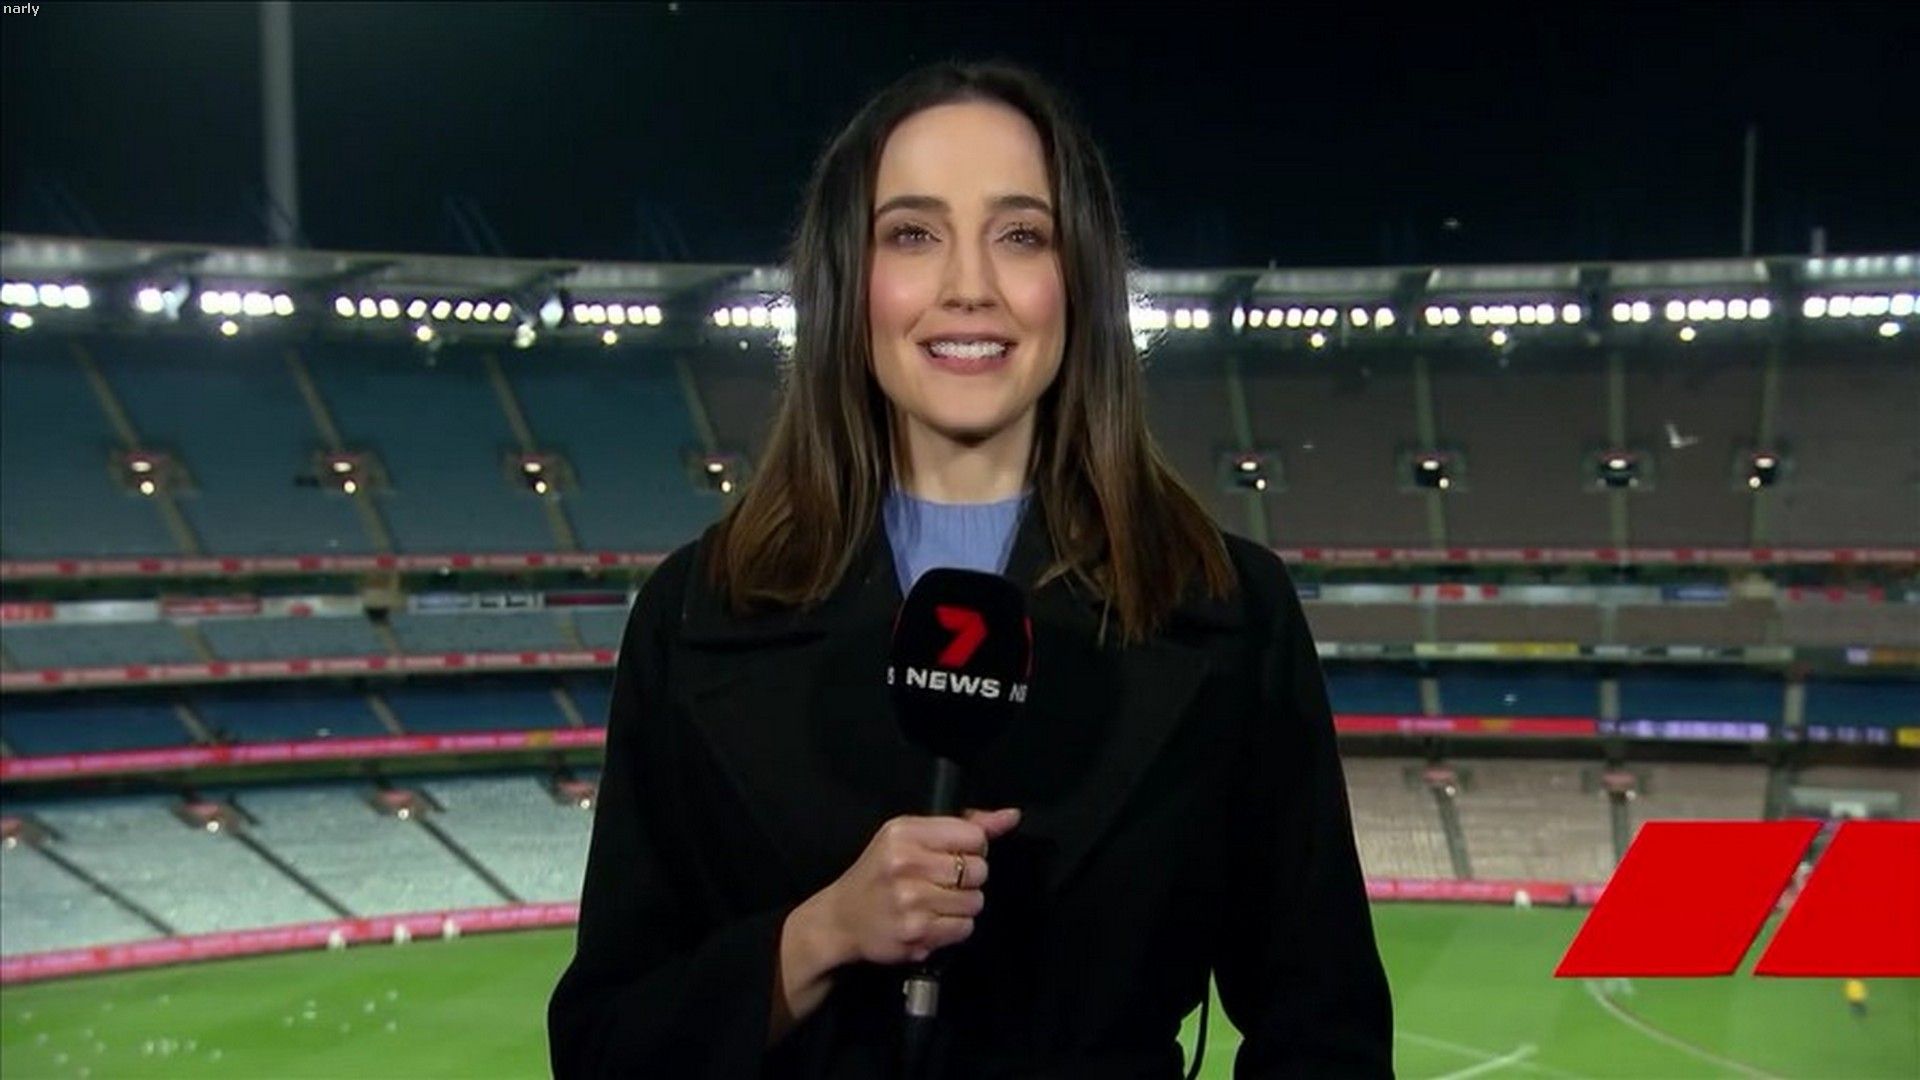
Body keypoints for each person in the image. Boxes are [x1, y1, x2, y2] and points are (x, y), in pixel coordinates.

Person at [547, 59, 1393, 1078]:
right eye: (912, 234)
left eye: (1020, 235)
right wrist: (817, 937)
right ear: (847, 281)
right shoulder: (694, 613)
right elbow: (602, 1046)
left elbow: (1326, 1032)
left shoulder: (1226, 608)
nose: (969, 287)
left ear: (1077, 281)